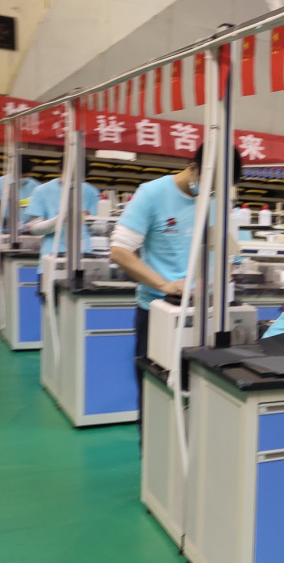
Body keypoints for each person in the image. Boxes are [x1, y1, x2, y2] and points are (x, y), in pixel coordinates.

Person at [109, 145, 243, 421]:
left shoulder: (217, 200)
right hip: (160, 312)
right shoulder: (152, 194)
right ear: (193, 168)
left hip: (207, 314)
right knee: (157, 396)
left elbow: (226, 249)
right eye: (210, 185)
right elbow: (120, 251)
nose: (212, 193)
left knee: (204, 400)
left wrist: (227, 270)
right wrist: (164, 285)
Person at [24, 161, 99, 273]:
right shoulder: (42, 190)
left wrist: (89, 220)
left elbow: (98, 228)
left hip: (84, 255)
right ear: (61, 169)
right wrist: (61, 219)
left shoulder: (91, 192)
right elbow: (34, 229)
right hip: (52, 255)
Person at [1, 155, 41, 226]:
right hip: (3, 228)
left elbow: (38, 208)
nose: (22, 179)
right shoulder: (1, 183)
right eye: (20, 177)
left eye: (25, 176)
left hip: (27, 228)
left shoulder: (36, 186)